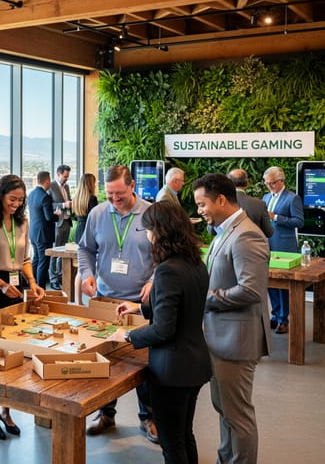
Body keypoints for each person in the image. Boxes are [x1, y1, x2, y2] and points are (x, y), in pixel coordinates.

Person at [111, 201, 211, 464]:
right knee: (185, 435)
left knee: (172, 443)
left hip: (173, 369)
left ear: (159, 231)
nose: (146, 235)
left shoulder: (167, 270)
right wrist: (140, 309)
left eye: (147, 230)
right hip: (196, 362)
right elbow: (181, 309)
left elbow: (164, 329)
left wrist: (128, 337)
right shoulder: (194, 262)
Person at [192, 173, 271, 464]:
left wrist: (205, 298)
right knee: (224, 409)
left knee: (237, 415)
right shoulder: (226, 231)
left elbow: (251, 290)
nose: (199, 211)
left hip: (236, 341)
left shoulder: (247, 234)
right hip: (220, 337)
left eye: (202, 204)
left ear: (221, 199)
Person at [77, 165, 157, 443]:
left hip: (140, 303)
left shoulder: (151, 214)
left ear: (132, 185)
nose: (114, 199)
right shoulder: (98, 213)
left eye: (119, 193)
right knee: (104, 361)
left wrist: (155, 280)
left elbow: (167, 254)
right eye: (109, 194)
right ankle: (106, 414)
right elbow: (85, 249)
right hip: (106, 300)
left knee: (145, 365)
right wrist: (86, 274)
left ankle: (148, 419)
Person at [0, 174, 46, 439]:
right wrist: (0, 285)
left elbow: (25, 258)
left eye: (20, 200)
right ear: (0, 195)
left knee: (12, 352)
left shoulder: (22, 222)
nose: (16, 204)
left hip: (16, 287)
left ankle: (6, 409)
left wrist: (33, 282)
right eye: (12, 199)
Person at [261, 166, 304, 334]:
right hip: (267, 244)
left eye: (272, 183)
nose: (269, 186)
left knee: (284, 285)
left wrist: (276, 217)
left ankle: (284, 319)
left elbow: (299, 222)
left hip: (285, 246)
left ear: (281, 181)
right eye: (267, 183)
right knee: (270, 282)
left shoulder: (292, 198)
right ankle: (275, 315)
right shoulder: (265, 197)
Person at [28, 171, 58, 289]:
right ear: (47, 181)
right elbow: (49, 217)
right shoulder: (45, 197)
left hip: (34, 233)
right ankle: (40, 288)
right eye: (50, 180)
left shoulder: (31, 194)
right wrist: (58, 215)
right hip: (44, 234)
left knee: (36, 259)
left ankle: (33, 286)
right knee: (43, 262)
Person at [228, 169, 273, 238]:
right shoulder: (259, 204)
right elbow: (269, 233)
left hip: (227, 247)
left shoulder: (220, 202)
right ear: (246, 183)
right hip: (253, 246)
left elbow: (211, 230)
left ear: (229, 183)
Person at [48, 165, 73, 289]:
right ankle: (53, 279)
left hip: (67, 221)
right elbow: (49, 205)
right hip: (57, 223)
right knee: (55, 251)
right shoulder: (51, 186)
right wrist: (63, 205)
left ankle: (60, 276)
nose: (66, 179)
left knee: (63, 251)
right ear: (58, 174)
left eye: (68, 176)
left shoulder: (66, 186)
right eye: (65, 176)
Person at [72, 173, 98, 245]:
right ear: (90, 184)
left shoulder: (76, 198)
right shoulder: (92, 198)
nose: (95, 185)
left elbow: (74, 216)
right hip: (89, 230)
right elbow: (94, 217)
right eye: (94, 183)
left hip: (79, 229)